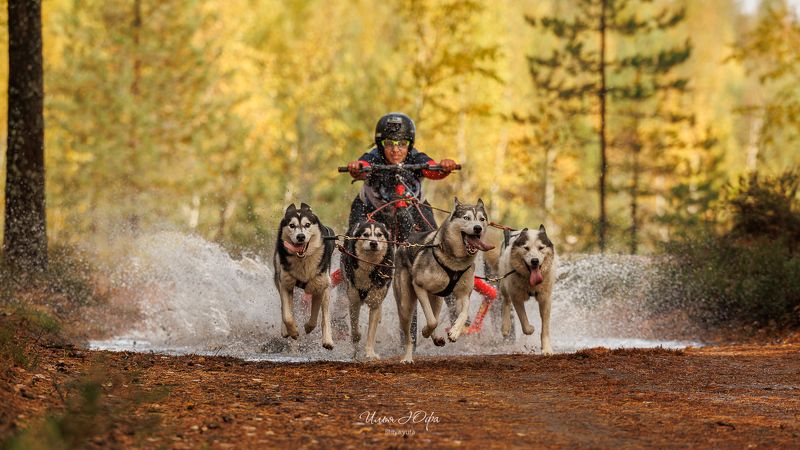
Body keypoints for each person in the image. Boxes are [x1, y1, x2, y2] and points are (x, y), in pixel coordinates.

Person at [346, 112, 458, 241]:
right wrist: (356, 168)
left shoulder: (416, 157)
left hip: (414, 205)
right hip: (371, 207)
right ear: (380, 144)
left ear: (409, 145)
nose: (395, 149)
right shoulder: (374, 156)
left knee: (433, 240)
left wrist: (445, 168)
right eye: (389, 143)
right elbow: (361, 167)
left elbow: (433, 169)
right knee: (352, 239)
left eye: (402, 143)